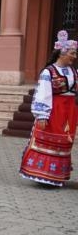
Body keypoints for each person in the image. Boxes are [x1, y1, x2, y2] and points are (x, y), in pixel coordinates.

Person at [19, 31, 77, 187]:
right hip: (54, 109)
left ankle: (58, 174)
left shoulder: (73, 72)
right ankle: (43, 174)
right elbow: (43, 93)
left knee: (65, 140)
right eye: (72, 53)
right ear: (62, 53)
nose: (74, 56)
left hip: (69, 111)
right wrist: (42, 115)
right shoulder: (49, 72)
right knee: (50, 139)